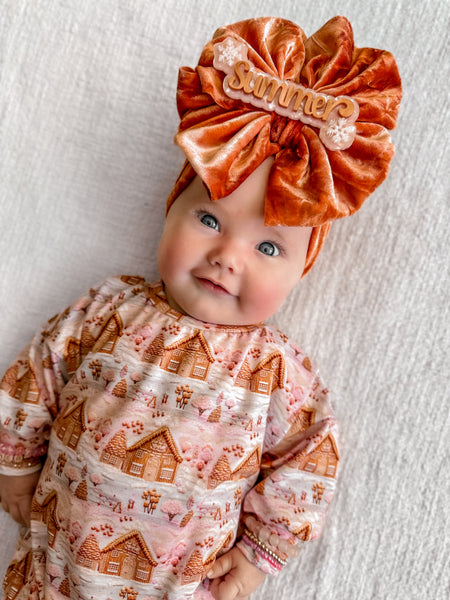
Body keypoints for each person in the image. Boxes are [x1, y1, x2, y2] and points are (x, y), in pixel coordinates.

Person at [0, 15, 401, 600]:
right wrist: (15, 461)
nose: (227, 256)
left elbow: (311, 456)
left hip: (180, 584)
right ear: (170, 212)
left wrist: (260, 554)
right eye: (209, 219)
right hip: (53, 567)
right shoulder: (109, 309)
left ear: (300, 270)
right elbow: (37, 374)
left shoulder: (276, 370)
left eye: (268, 247)